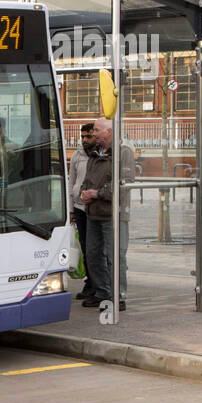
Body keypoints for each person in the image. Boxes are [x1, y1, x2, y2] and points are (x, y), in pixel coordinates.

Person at [78, 118, 132, 310]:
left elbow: (124, 184)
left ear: (109, 132)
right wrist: (84, 192)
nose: (94, 133)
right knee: (93, 255)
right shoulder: (94, 154)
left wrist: (97, 194)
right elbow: (87, 179)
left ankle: (118, 296)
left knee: (114, 256)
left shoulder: (123, 153)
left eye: (97, 130)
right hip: (93, 214)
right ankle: (102, 292)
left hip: (113, 216)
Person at [68, 122, 96, 299]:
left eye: (89, 136)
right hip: (79, 207)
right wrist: (71, 209)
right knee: (85, 246)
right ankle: (89, 282)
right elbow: (72, 182)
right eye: (83, 136)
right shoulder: (77, 155)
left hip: (94, 207)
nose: (85, 140)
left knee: (95, 247)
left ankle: (96, 283)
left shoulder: (99, 155)